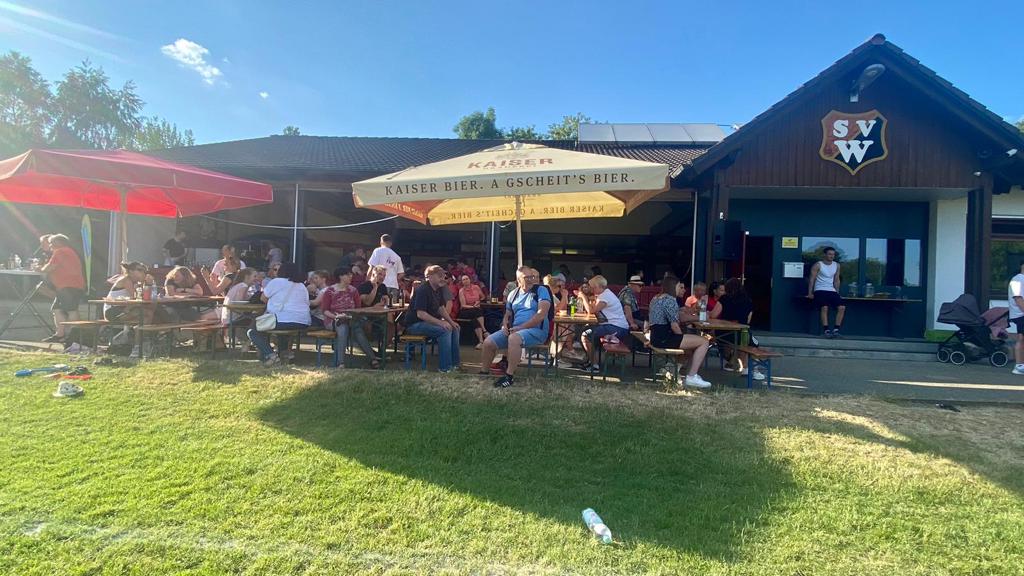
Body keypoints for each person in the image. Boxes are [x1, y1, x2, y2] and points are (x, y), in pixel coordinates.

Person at [480, 266, 552, 388]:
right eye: (527, 277)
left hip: (537, 330)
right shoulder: (513, 294)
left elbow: (541, 314)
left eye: (532, 276)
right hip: (515, 330)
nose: (531, 279)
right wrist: (504, 326)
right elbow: (507, 315)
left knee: (514, 339)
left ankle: (509, 376)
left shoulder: (541, 290)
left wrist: (521, 328)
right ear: (518, 279)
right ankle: (484, 373)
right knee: (488, 342)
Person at [647, 276, 712, 389]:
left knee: (691, 346)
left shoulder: (656, 298)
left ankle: (673, 369)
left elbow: (676, 316)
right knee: (704, 342)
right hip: (665, 338)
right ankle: (692, 377)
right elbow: (674, 325)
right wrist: (681, 338)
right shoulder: (670, 300)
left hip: (655, 337)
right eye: (679, 286)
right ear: (673, 287)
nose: (681, 289)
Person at [248, 262, 311, 367]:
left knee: (253, 331)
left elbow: (263, 298)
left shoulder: (276, 282)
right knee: (281, 332)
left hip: (282, 319)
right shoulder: (302, 286)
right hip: (303, 321)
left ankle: (271, 355)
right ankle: (284, 354)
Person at [404, 264, 460, 373]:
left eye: (443, 275)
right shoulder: (423, 290)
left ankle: (455, 365)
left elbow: (441, 308)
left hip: (427, 323)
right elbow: (421, 314)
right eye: (439, 275)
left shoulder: (439, 289)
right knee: (445, 331)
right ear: (429, 277)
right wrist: (441, 323)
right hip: (414, 325)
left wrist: (451, 322)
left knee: (455, 328)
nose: (442, 277)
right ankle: (445, 368)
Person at [321, 267, 378, 368]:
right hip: (333, 319)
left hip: (351, 319)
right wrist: (336, 316)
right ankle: (341, 362)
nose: (351, 276)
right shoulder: (330, 291)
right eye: (348, 274)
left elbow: (358, 309)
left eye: (351, 274)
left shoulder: (353, 291)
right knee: (343, 328)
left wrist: (351, 316)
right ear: (340, 276)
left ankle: (372, 359)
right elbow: (325, 310)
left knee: (357, 329)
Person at [579, 275, 630, 374]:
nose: (591, 289)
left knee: (585, 335)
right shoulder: (605, 294)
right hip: (613, 325)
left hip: (617, 327)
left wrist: (583, 297)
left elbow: (591, 310)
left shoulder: (605, 297)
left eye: (593, 287)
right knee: (585, 330)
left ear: (598, 287)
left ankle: (594, 366)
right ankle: (590, 360)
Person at [39, 234, 85, 343]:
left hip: (69, 286)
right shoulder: (67, 251)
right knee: (57, 309)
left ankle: (76, 336)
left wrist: (40, 268)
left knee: (71, 310)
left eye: (51, 243)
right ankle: (60, 335)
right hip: (68, 286)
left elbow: (50, 267)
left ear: (58, 243)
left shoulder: (60, 251)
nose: (50, 245)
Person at [717, 277, 761, 380]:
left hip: (723, 333)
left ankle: (733, 363)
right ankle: (752, 369)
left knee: (741, 343)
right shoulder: (748, 300)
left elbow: (714, 314)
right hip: (741, 332)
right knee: (752, 343)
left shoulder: (723, 299)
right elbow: (748, 320)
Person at [807, 246, 846, 338]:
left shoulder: (837, 265)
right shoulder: (818, 265)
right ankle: (826, 330)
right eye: (829, 254)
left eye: (833, 254)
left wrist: (837, 292)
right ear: (825, 255)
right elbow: (812, 279)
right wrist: (810, 293)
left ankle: (836, 330)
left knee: (842, 307)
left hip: (831, 290)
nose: (832, 256)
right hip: (820, 289)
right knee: (824, 307)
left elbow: (836, 280)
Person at [367, 233, 405, 301]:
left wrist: (367, 280)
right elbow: (401, 274)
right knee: (392, 306)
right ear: (391, 243)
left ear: (381, 242)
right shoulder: (397, 257)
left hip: (379, 285)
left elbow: (372, 267)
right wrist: (393, 279)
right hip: (393, 286)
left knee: (379, 305)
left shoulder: (377, 251)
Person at [457, 274, 488, 348]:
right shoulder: (461, 291)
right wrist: (473, 306)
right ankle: (485, 331)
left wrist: (478, 301)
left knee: (475, 320)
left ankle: (481, 341)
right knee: (476, 311)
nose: (466, 281)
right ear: (461, 282)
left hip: (475, 309)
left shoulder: (476, 287)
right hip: (465, 310)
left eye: (467, 279)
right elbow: (463, 305)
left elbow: (483, 297)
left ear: (470, 279)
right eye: (464, 280)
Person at [1009, 261, 1024, 375]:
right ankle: (1019, 365)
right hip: (1021, 314)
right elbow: (1018, 299)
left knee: (1021, 338)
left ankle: (1020, 365)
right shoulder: (1017, 280)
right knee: (1021, 338)